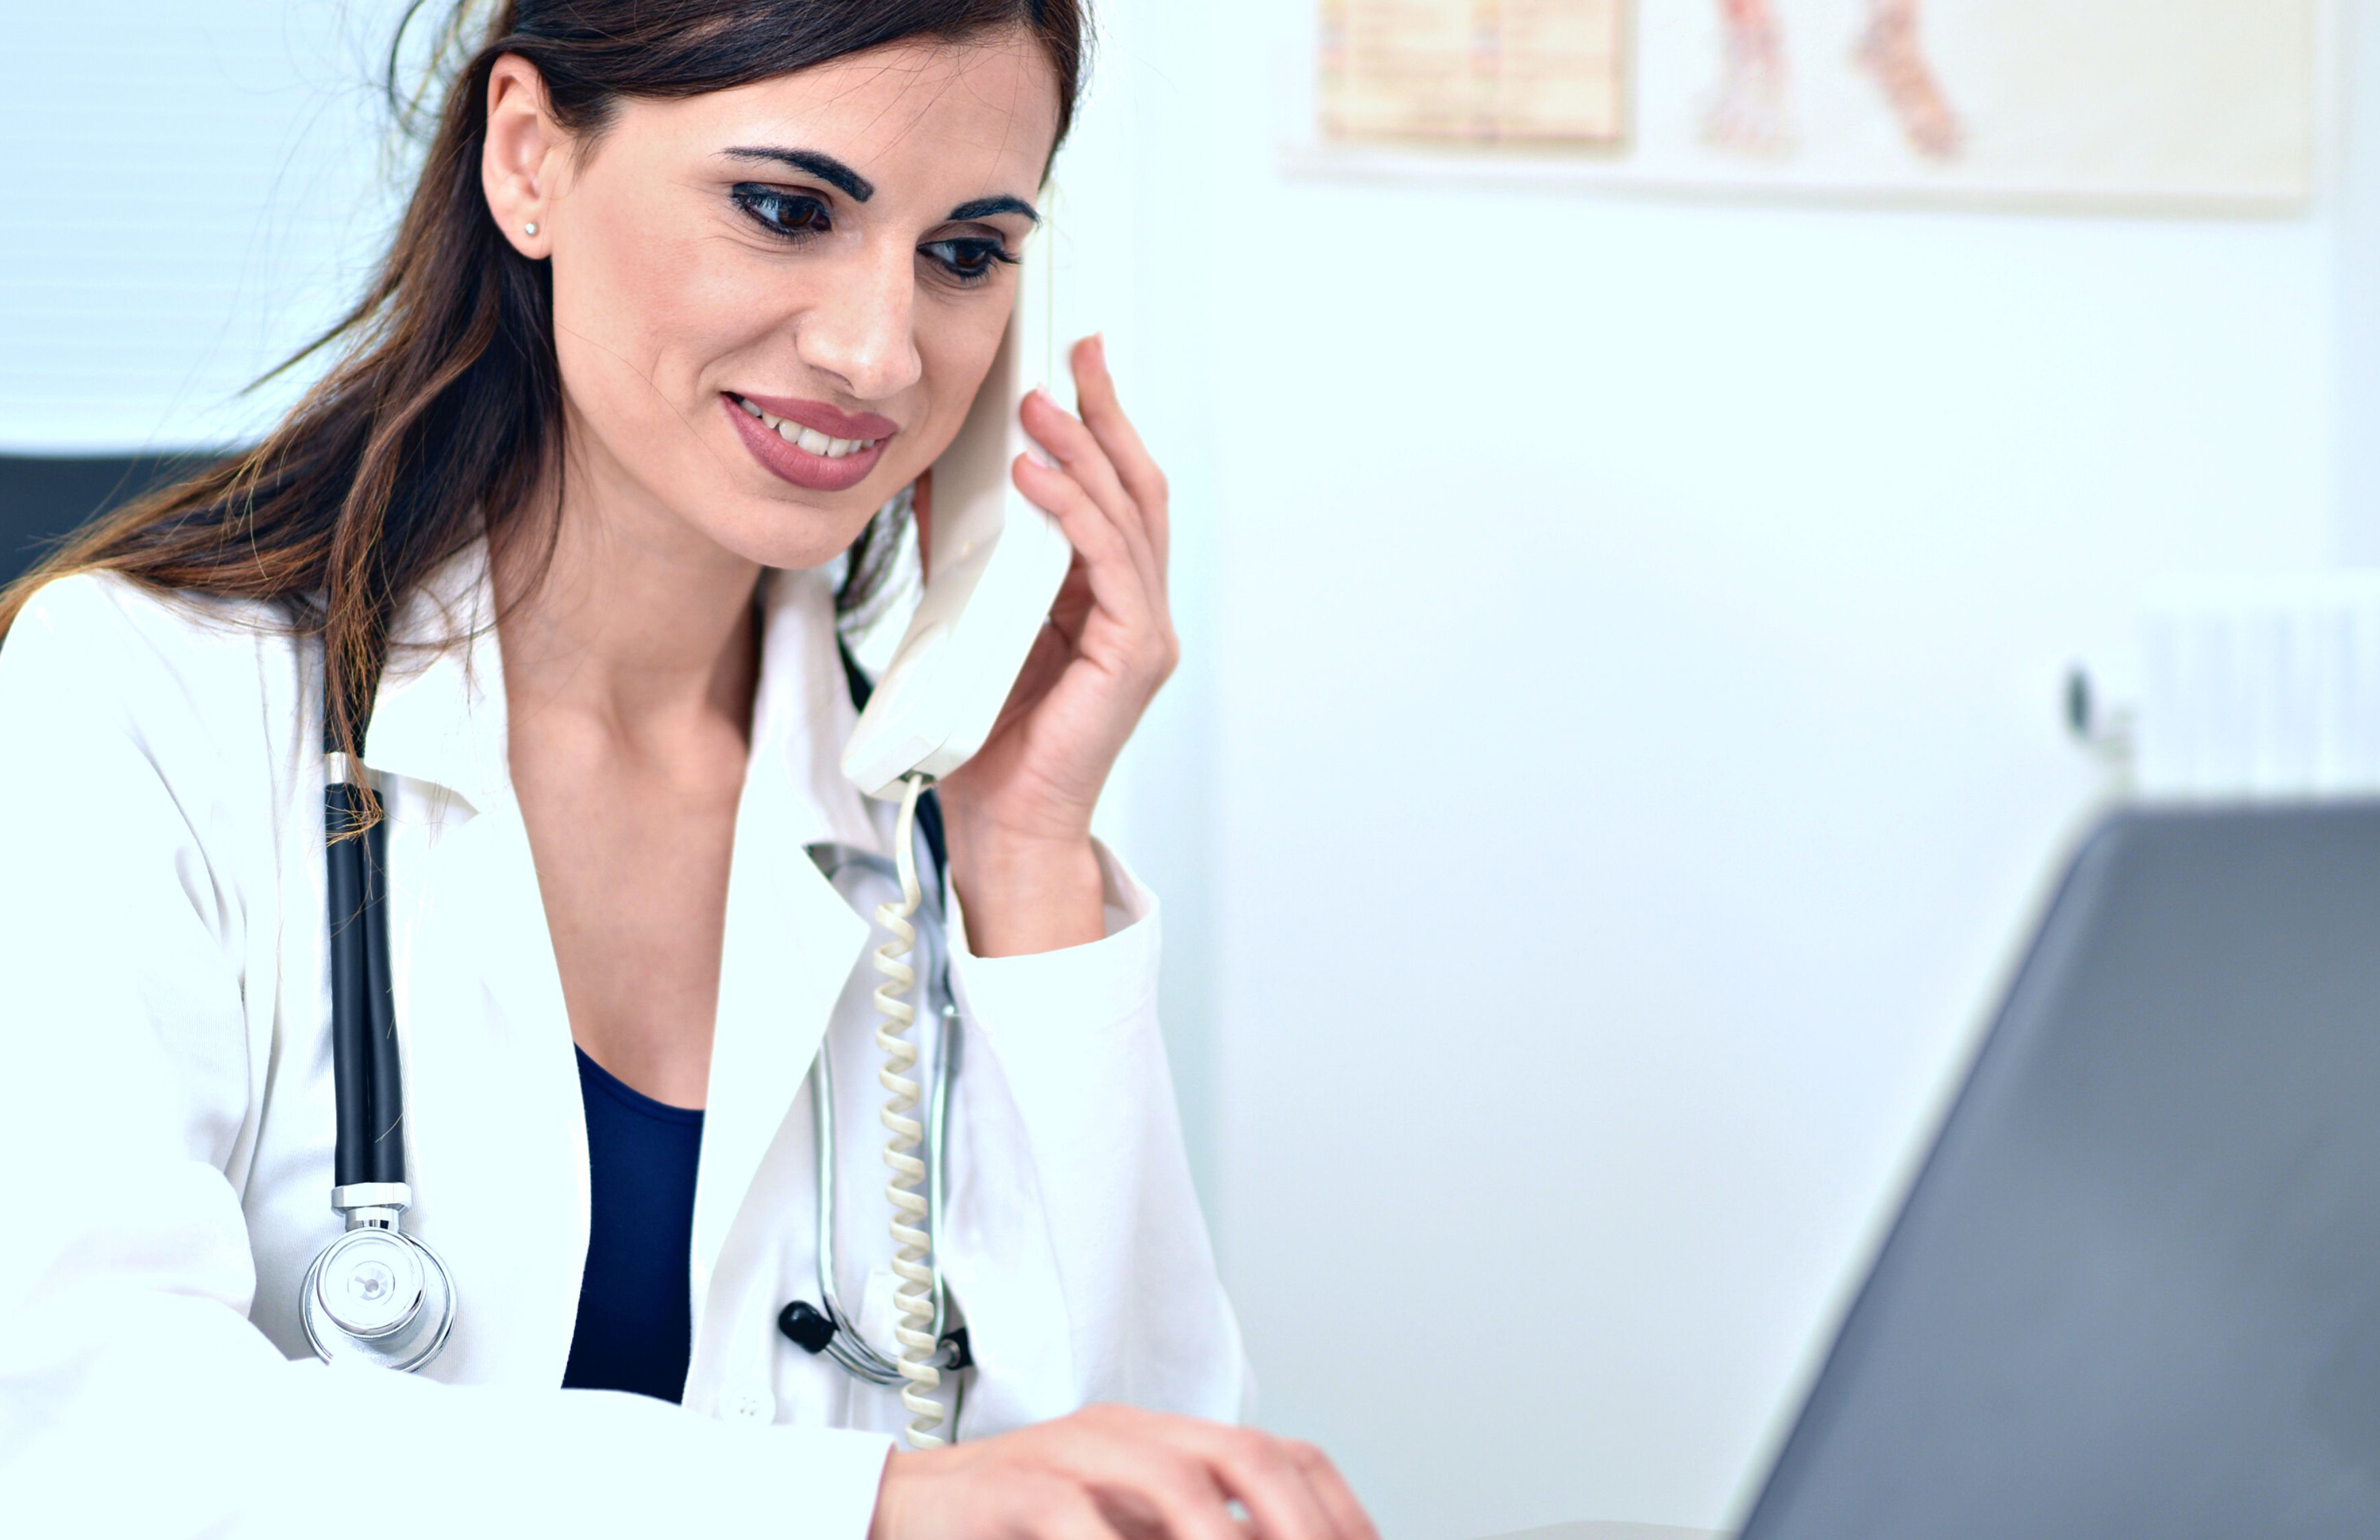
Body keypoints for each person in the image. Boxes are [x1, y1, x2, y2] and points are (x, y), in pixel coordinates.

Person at [0, 4, 1375, 1539]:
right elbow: (82, 1439)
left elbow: (1146, 1485)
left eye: (967, 253)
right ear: (528, 158)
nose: (881, 352)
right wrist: (863, 1506)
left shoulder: (915, 823)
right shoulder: (140, 702)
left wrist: (1031, 852)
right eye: (788, 210)